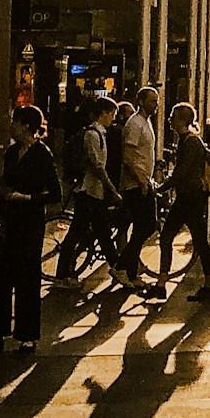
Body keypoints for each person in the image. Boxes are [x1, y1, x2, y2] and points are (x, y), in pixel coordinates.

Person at [0, 105, 60, 352]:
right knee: (1, 274)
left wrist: (26, 197)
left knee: (28, 277)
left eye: (16, 122)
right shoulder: (11, 153)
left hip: (30, 222)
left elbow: (54, 194)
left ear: (27, 126)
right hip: (8, 220)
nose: (12, 126)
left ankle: (28, 334)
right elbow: (7, 180)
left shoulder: (42, 155)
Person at [55, 93, 125, 289]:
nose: (113, 119)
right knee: (82, 232)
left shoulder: (99, 134)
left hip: (94, 192)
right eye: (112, 114)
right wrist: (111, 189)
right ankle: (63, 274)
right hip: (89, 191)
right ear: (104, 113)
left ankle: (115, 267)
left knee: (97, 232)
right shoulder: (93, 135)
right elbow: (97, 166)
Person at [158, 103, 210, 299]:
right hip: (192, 197)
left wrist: (161, 188)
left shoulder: (190, 142)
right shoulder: (190, 141)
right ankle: (208, 284)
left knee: (169, 237)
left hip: (189, 198)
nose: (169, 120)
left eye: (173, 116)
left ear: (181, 120)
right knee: (198, 240)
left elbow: (181, 173)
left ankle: (162, 283)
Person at [116, 88, 165, 289]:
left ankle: (130, 269)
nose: (156, 105)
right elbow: (128, 155)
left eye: (157, 101)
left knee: (142, 227)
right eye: (152, 101)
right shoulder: (135, 124)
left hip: (144, 181)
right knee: (146, 225)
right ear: (141, 101)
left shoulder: (146, 123)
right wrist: (141, 180)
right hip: (135, 184)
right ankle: (122, 266)